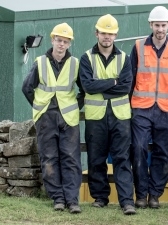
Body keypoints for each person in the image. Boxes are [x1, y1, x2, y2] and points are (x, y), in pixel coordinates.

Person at [22, 23, 84, 214]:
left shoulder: (75, 64)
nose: (61, 44)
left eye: (65, 41)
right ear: (52, 40)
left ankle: (72, 200)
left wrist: (75, 107)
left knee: (71, 159)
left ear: (69, 43)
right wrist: (40, 106)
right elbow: (27, 88)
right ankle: (58, 198)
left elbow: (84, 90)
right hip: (46, 117)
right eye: (58, 40)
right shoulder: (40, 62)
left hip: (68, 118)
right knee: (49, 158)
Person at [130, 6, 168, 209]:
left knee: (164, 152)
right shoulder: (137, 47)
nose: (160, 29)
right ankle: (141, 194)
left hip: (167, 110)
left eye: (163, 25)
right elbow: (130, 78)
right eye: (157, 25)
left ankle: (154, 195)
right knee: (137, 149)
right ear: (150, 25)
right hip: (141, 108)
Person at [78, 14, 136, 215]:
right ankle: (100, 197)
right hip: (96, 117)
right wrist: (113, 82)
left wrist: (99, 86)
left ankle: (127, 201)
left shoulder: (124, 58)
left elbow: (125, 87)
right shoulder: (86, 58)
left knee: (122, 158)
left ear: (116, 35)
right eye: (103, 33)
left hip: (120, 117)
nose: (107, 37)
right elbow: (87, 86)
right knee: (96, 159)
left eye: (110, 34)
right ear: (97, 33)